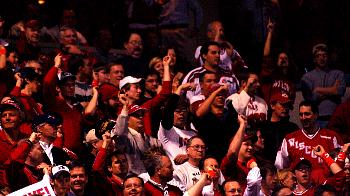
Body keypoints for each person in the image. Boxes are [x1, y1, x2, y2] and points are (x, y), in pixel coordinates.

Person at [275, 100, 343, 182]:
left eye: (307, 114)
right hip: (299, 189)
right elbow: (280, 167)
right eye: (301, 114)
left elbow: (341, 164)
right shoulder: (290, 139)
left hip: (325, 188)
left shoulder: (332, 137)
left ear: (316, 115)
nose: (303, 118)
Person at [300, 43, 346, 128]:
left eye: (324, 55)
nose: (322, 58)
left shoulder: (338, 74)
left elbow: (339, 91)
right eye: (318, 56)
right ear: (314, 59)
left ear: (328, 57)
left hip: (335, 119)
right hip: (316, 120)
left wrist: (317, 89)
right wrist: (332, 90)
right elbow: (311, 99)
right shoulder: (307, 77)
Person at [157, 83, 197, 166]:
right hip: (175, 173)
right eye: (177, 111)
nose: (181, 114)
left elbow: (203, 154)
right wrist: (180, 88)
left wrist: (188, 156)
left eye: (183, 111)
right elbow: (168, 109)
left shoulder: (194, 134)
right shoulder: (167, 130)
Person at [260, 92, 299, 162]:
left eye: (287, 105)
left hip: (287, 168)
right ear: (272, 106)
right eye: (282, 104)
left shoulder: (293, 128)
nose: (286, 108)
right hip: (266, 167)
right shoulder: (262, 127)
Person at [92, 131, 128, 196]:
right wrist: (105, 143)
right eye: (117, 162)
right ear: (109, 168)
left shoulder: (132, 182)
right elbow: (96, 170)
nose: (122, 164)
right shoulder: (108, 183)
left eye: (124, 161)